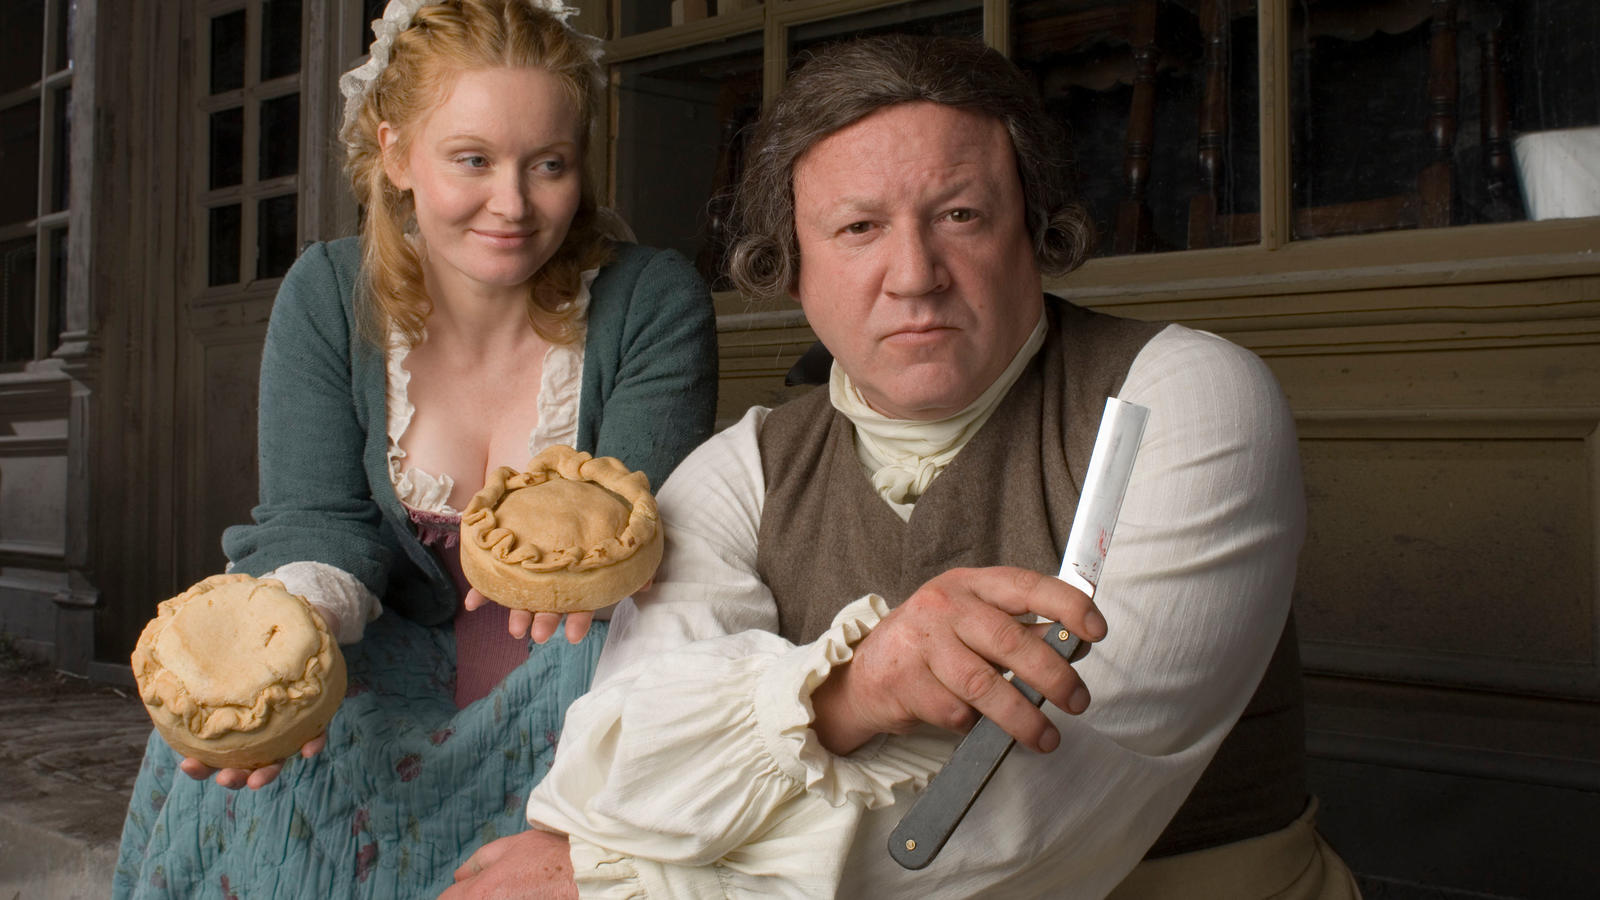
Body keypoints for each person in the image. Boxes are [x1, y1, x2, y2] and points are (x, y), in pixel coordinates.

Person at [451, 33, 1362, 900]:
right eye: (856, 228)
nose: (914, 274)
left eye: (960, 215)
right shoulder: (739, 472)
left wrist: (626, 883)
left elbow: (1037, 814)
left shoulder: (1185, 400)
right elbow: (619, 775)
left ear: (1034, 231)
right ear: (791, 264)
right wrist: (842, 695)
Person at [113, 1, 717, 896]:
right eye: (471, 159)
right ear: (396, 153)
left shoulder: (652, 301)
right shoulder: (327, 294)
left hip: (576, 658)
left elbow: (626, 532)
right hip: (379, 649)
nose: (511, 204)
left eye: (548, 165)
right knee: (296, 744)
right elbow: (316, 520)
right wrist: (288, 640)